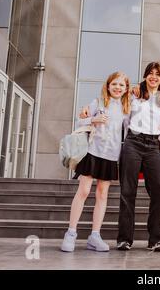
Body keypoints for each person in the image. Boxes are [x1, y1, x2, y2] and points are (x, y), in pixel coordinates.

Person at [61, 71, 131, 252]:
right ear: (108, 86)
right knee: (83, 191)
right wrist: (93, 118)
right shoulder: (97, 102)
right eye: (114, 84)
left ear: (126, 89)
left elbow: (131, 129)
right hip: (92, 152)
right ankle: (71, 234)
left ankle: (95, 236)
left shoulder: (126, 109)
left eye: (122, 85)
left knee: (102, 194)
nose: (117, 87)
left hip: (110, 155)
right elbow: (79, 121)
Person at [116, 62, 160, 252]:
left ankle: (156, 239)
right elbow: (120, 115)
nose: (154, 77)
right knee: (128, 191)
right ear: (146, 75)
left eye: (158, 74)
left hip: (154, 145)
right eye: (150, 73)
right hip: (133, 141)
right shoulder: (134, 94)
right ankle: (124, 239)